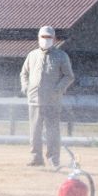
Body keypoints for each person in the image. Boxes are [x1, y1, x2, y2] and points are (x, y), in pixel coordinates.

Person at [19, 25, 75, 169]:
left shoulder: (61, 56)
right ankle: (36, 157)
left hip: (52, 101)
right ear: (38, 38)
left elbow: (69, 76)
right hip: (34, 100)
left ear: (54, 39)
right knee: (35, 132)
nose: (46, 40)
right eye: (43, 37)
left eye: (49, 37)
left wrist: (58, 89)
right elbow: (24, 74)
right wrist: (26, 87)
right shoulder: (32, 55)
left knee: (52, 132)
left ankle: (53, 159)